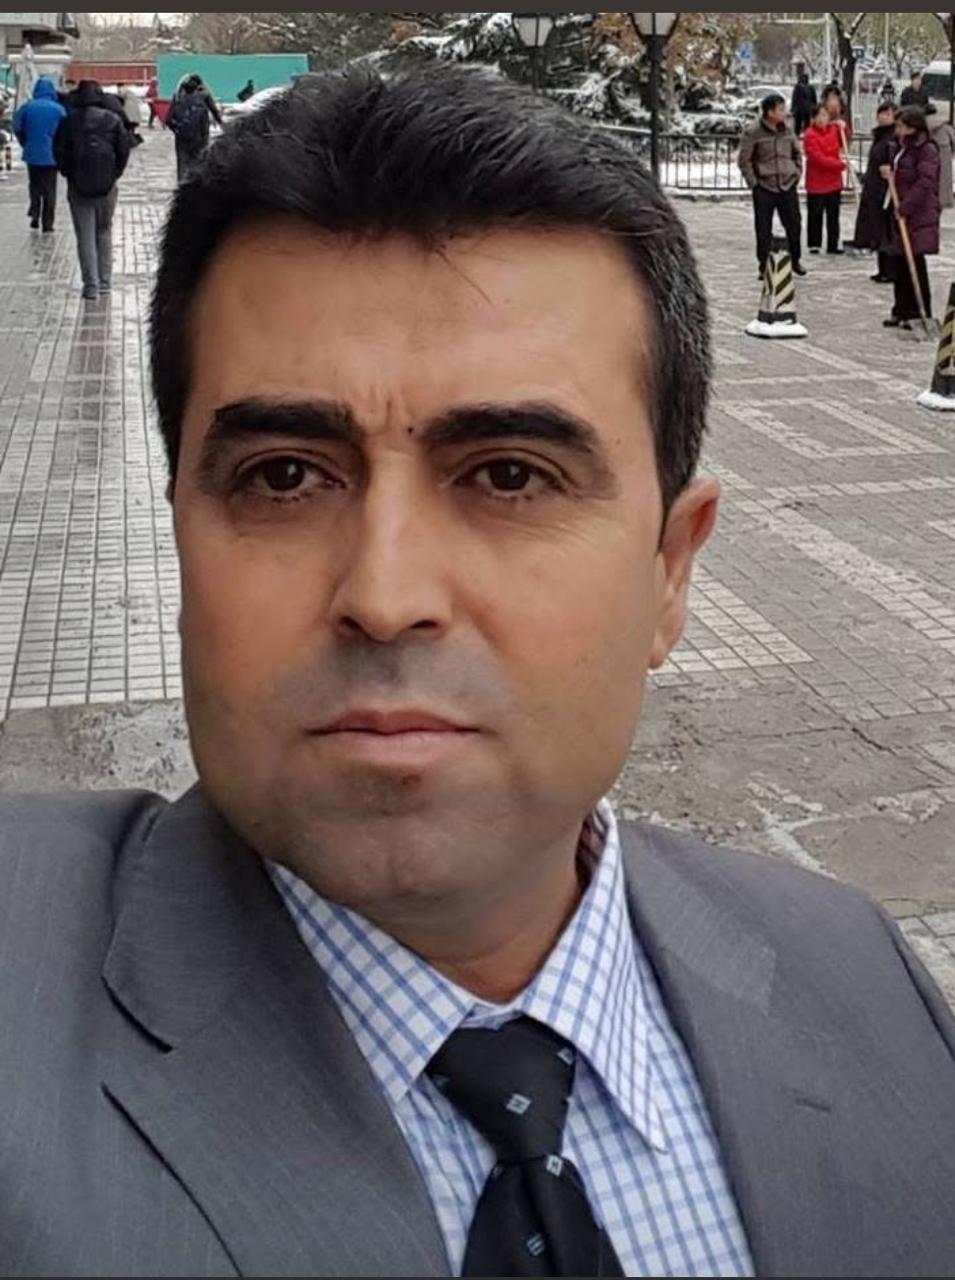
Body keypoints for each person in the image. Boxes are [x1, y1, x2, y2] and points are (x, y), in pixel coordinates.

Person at [2, 65, 955, 1279]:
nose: (385, 591)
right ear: (181, 525)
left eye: (510, 474)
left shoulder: (867, 990)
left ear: (669, 570)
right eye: (283, 476)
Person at [52, 79, 131, 301]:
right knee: (104, 232)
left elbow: (58, 151)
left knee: (85, 235)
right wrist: (115, 174)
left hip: (78, 186)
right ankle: (105, 282)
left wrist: (69, 174)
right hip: (107, 186)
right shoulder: (113, 120)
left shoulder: (69, 121)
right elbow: (124, 150)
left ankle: (91, 286)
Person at [881, 105, 941, 329]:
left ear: (912, 127)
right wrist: (889, 174)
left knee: (914, 261)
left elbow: (925, 182)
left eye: (900, 126)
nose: (897, 130)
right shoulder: (901, 146)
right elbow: (900, 173)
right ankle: (901, 310)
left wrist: (906, 207)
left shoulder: (926, 149)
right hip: (900, 210)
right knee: (899, 261)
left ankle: (918, 311)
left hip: (917, 212)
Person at [737, 92, 806, 279]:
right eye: (781, 109)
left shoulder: (787, 130)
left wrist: (796, 172)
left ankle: (795, 260)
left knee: (794, 224)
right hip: (764, 186)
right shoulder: (753, 132)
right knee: (763, 227)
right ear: (770, 112)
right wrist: (754, 183)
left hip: (787, 184)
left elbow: (797, 154)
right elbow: (744, 160)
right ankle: (763, 264)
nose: (785, 113)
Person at [12, 75, 66, 232]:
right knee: (50, 189)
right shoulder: (59, 109)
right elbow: (65, 131)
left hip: (32, 154)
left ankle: (35, 214)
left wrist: (24, 141)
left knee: (34, 185)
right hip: (52, 156)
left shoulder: (27, 107)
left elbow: (17, 126)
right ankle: (48, 223)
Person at [853, 100, 898, 282]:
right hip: (873, 189)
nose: (883, 117)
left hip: (886, 192)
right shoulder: (880, 136)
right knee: (877, 230)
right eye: (882, 113)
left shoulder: (894, 138)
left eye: (888, 113)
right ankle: (882, 269)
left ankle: (890, 270)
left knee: (887, 231)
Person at [803, 101, 846, 255]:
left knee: (833, 215)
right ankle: (814, 243)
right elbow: (817, 158)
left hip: (834, 181)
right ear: (813, 118)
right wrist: (839, 165)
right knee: (815, 214)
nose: (822, 119)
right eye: (819, 116)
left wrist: (844, 127)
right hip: (817, 182)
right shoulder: (809, 135)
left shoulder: (834, 130)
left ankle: (832, 244)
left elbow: (845, 140)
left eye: (825, 115)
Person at [166, 73, 222, 181]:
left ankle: (181, 184)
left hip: (182, 136)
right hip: (200, 135)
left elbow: (168, 119)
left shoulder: (178, 97)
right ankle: (196, 183)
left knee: (182, 162)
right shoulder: (204, 95)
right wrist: (222, 124)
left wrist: (177, 129)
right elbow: (214, 111)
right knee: (199, 160)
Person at [926, 102, 955, 209]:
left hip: (929, 151)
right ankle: (945, 200)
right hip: (944, 150)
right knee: (945, 178)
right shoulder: (944, 125)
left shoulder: (923, 124)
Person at [116, 81, 143, 146]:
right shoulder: (129, 91)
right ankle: (133, 139)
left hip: (128, 112)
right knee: (132, 126)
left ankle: (131, 141)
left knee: (128, 126)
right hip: (134, 112)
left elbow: (120, 99)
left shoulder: (121, 91)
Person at [790, 71, 816, 136]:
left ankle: (802, 134)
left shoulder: (806, 87)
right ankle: (801, 134)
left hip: (803, 109)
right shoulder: (801, 87)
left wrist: (793, 109)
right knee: (801, 123)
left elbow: (794, 99)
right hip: (803, 109)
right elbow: (794, 98)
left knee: (802, 124)